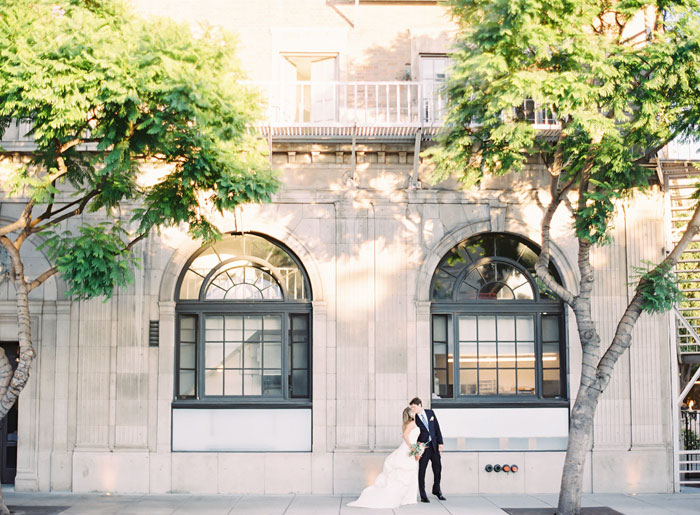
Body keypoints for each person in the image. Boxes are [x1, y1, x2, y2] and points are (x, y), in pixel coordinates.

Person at [347, 407, 420, 509]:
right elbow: (405, 435)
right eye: (413, 411)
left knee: (409, 472)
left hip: (409, 448)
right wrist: (412, 447)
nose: (414, 411)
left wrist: (416, 448)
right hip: (408, 448)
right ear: (411, 414)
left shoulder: (409, 424)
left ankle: (407, 498)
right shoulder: (412, 423)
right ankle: (405, 498)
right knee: (406, 472)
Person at [409, 397, 446, 503]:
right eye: (411, 407)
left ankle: (437, 490)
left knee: (438, 468)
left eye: (414, 407)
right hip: (423, 448)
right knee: (422, 471)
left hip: (434, 446)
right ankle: (423, 495)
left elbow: (437, 428)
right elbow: (413, 435)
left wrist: (440, 443)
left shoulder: (430, 413)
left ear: (420, 405)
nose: (413, 409)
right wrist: (416, 451)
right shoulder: (414, 418)